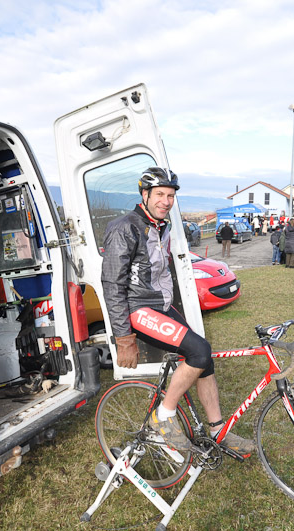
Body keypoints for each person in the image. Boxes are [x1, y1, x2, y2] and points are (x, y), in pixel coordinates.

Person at [101, 167, 255, 456]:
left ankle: (217, 431)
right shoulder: (125, 227)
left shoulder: (162, 225)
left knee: (204, 359)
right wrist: (123, 338)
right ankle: (164, 415)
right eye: (159, 194)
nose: (166, 201)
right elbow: (112, 284)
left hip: (160, 306)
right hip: (138, 308)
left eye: (170, 196)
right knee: (200, 351)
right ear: (144, 195)